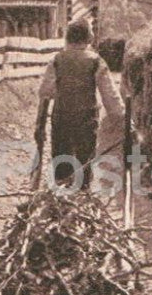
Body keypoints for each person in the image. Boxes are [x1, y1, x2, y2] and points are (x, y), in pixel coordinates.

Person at [35, 17, 124, 189]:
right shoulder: (96, 61)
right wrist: (123, 120)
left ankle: (60, 193)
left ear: (68, 37)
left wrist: (39, 124)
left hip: (61, 120)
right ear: (88, 38)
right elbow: (110, 96)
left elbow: (45, 93)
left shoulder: (57, 60)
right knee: (84, 163)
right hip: (86, 121)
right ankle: (82, 193)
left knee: (61, 162)